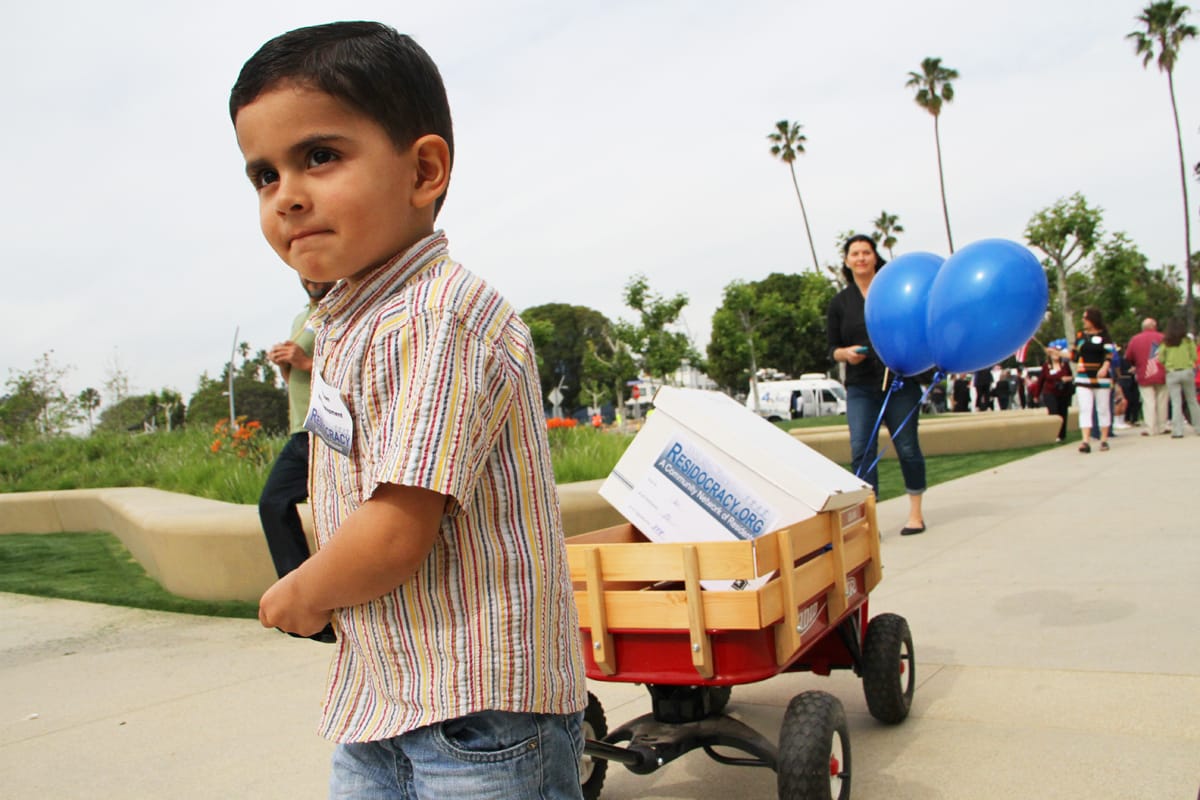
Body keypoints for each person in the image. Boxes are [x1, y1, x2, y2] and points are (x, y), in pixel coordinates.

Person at [230, 22, 586, 798]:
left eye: (319, 156)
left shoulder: (436, 316)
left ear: (423, 169)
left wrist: (302, 591)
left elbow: (394, 530)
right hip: (387, 695)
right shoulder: (354, 320)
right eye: (263, 173)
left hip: (479, 714)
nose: (287, 194)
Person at [826, 234, 926, 536]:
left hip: (900, 381)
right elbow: (832, 347)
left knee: (907, 446)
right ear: (846, 261)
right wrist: (845, 354)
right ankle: (868, 521)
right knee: (861, 450)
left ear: (875, 257)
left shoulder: (893, 292)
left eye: (866, 252)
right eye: (854, 253)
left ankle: (916, 514)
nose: (860, 258)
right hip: (860, 386)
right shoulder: (840, 302)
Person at [258, 276, 337, 643]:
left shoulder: (338, 310)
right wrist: (284, 365)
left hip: (325, 428)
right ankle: (307, 605)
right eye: (305, 273)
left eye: (319, 274)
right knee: (274, 504)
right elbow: (295, 377)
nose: (312, 279)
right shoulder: (301, 318)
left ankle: (314, 606)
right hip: (299, 430)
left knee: (331, 513)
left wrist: (304, 361)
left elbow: (349, 370)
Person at [1072, 307, 1115, 453]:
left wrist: (1105, 366)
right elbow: (1074, 356)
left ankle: (1104, 439)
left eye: (1086, 318)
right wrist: (1058, 353)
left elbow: (1109, 354)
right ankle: (1085, 440)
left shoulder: (1105, 336)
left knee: (1102, 408)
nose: (1083, 321)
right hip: (1083, 376)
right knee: (1085, 408)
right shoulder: (1080, 336)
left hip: (1101, 377)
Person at [1155, 317, 1200, 438]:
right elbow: (1195, 357)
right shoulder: (1188, 341)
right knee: (1192, 400)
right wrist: (1189, 363)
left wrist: (1167, 364)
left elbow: (1160, 358)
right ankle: (1198, 427)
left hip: (1172, 372)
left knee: (1176, 402)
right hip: (1187, 371)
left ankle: (1178, 430)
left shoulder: (1166, 341)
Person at [1124, 317, 1168, 436]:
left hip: (1144, 373)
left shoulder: (1135, 339)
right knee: (1162, 399)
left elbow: (1128, 356)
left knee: (1148, 401)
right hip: (1162, 373)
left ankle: (1150, 428)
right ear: (1155, 326)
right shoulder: (1163, 338)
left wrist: (1136, 364)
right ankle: (1162, 426)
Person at [1039, 350, 1073, 442]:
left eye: (1057, 353)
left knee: (1063, 413)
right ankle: (1054, 434)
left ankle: (1062, 435)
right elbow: (1041, 380)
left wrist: (1067, 379)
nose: (1055, 355)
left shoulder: (1065, 365)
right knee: (1054, 411)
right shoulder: (1046, 366)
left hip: (1063, 393)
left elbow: (1071, 376)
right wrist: (1036, 395)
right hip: (1050, 392)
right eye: (1053, 354)